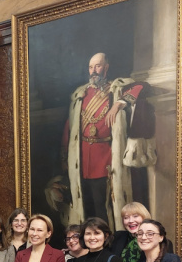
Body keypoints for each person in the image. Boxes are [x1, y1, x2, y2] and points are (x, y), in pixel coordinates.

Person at [48, 53, 155, 230]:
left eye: (98, 66)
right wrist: (65, 155)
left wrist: (119, 103)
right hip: (82, 160)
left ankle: (107, 240)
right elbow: (70, 126)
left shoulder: (116, 89)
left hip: (104, 158)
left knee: (102, 205)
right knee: (85, 205)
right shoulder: (81, 94)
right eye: (91, 67)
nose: (94, 71)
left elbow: (143, 86)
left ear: (106, 67)